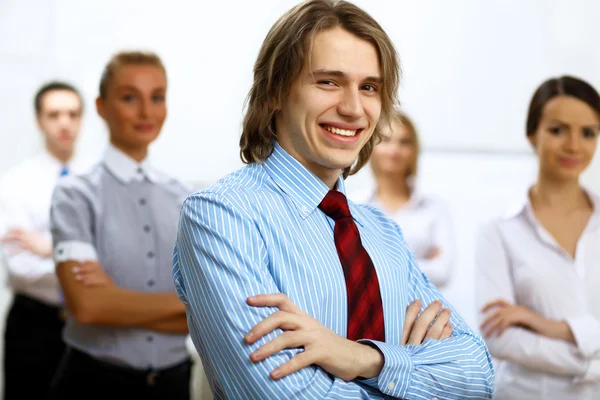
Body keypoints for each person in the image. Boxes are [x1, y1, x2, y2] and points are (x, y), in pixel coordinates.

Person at [173, 1, 494, 399]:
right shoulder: (221, 216)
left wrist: (365, 359)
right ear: (275, 90)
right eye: (328, 81)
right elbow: (284, 395)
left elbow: (477, 375)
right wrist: (413, 374)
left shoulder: (383, 233)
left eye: (369, 87)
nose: (353, 108)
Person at [48, 51, 191, 400]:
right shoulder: (74, 194)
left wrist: (117, 301)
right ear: (101, 106)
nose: (146, 112)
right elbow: (88, 306)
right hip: (94, 382)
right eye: (130, 97)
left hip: (173, 383)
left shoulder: (186, 199)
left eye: (157, 97)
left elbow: (209, 315)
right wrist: (186, 303)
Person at [476, 75, 600, 399]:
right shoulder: (498, 229)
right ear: (532, 134)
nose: (574, 145)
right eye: (558, 130)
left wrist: (548, 325)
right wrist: (590, 363)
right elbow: (500, 337)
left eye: (588, 133)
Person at [0, 81, 87, 400]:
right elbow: (21, 266)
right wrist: (86, 259)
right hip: (34, 323)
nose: (64, 122)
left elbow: (118, 259)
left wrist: (48, 247)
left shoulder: (98, 181)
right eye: (54, 114)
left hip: (89, 321)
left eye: (72, 114)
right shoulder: (16, 183)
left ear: (82, 119)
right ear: (39, 120)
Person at [352, 111, 455, 288]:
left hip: (422, 310)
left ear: (414, 150)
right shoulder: (353, 205)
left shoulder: (434, 207)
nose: (394, 150)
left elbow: (442, 272)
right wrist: (419, 263)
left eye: (404, 142)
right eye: (386, 140)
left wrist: (376, 264)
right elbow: (349, 270)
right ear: (371, 146)